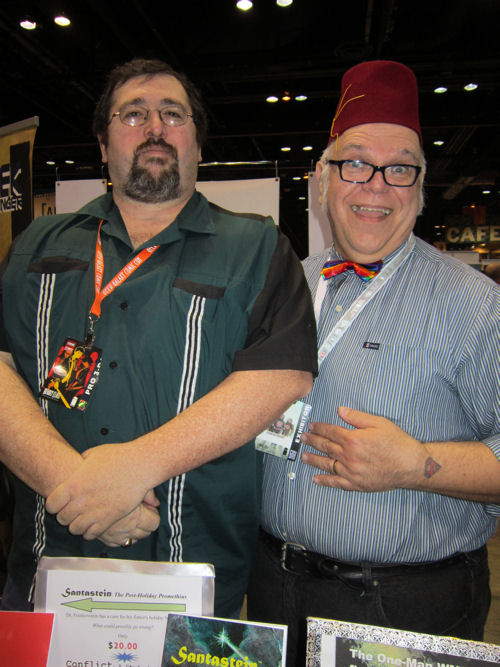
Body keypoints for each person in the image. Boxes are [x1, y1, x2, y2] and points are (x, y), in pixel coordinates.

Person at [0, 58, 317, 618]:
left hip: (193, 577)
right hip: (49, 570)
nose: (154, 128)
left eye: (173, 114)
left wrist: (132, 470)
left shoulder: (257, 247)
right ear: (103, 145)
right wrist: (80, 489)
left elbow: (279, 377)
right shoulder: (36, 244)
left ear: (197, 142)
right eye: (132, 115)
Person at [247, 60, 500, 665]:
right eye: (355, 163)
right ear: (322, 179)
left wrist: (417, 464)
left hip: (404, 604)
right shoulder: (285, 286)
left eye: (400, 168)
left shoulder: (475, 304)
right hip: (274, 588)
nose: (377, 185)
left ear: (420, 184)